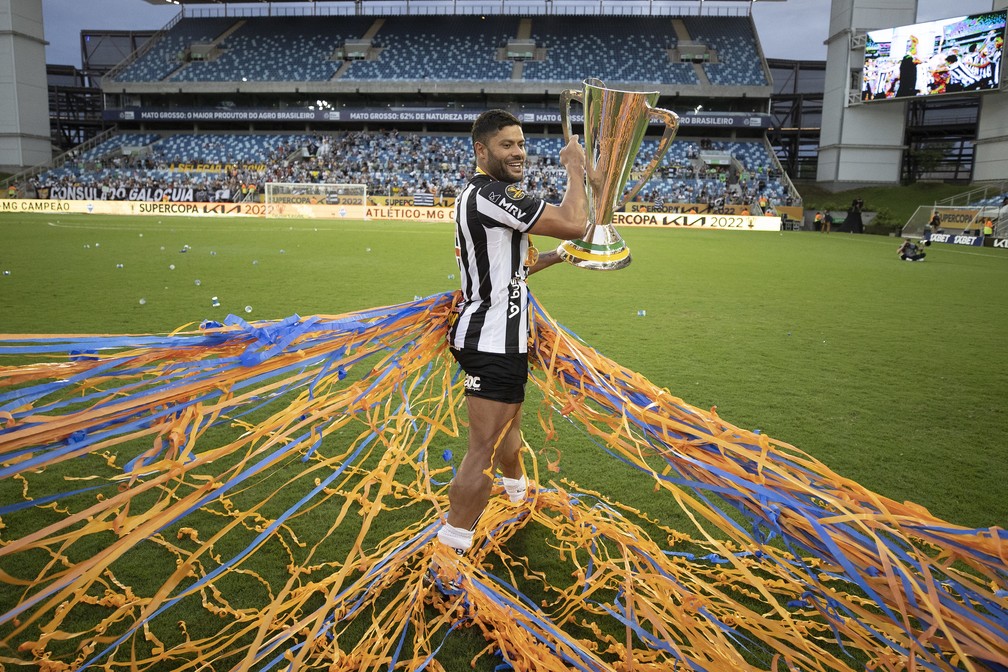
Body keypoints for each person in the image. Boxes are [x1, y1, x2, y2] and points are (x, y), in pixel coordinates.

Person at [433, 110, 588, 578]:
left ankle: (519, 496)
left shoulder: (482, 196)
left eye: (521, 143)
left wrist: (560, 256)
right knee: (482, 448)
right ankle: (449, 552)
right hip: (492, 342)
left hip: (501, 338)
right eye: (507, 145)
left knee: (507, 431)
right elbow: (575, 220)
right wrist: (576, 169)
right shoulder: (493, 193)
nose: (518, 151)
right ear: (482, 151)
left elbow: (512, 272)